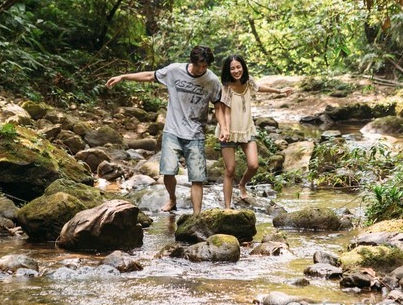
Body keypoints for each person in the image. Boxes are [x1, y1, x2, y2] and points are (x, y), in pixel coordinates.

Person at [106, 46, 227, 215]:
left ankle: (197, 215)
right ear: (191, 61)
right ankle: (172, 198)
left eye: (204, 66)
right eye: (198, 65)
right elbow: (150, 75)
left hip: (196, 133)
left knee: (197, 178)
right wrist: (123, 76)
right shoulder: (174, 71)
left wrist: (224, 127)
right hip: (172, 131)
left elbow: (218, 105)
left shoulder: (212, 81)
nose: (201, 70)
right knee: (168, 172)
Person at [216, 54, 292, 209]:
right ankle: (227, 208)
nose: (236, 71)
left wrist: (279, 91)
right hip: (229, 131)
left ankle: (242, 184)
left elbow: (260, 88)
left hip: (246, 129)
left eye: (238, 67)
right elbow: (226, 111)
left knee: (254, 165)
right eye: (232, 68)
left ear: (243, 67)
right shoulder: (226, 88)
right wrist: (226, 130)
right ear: (227, 70)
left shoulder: (248, 82)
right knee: (230, 170)